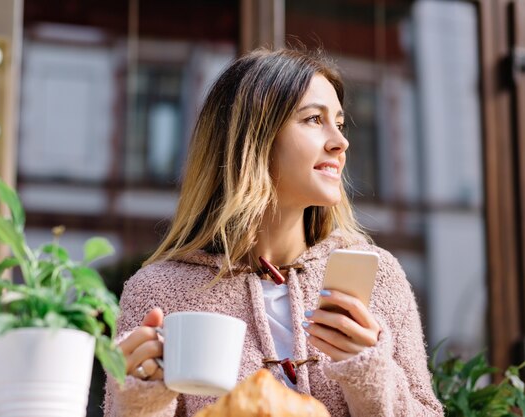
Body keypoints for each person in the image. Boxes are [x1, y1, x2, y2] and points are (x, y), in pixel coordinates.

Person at [103, 47, 443, 417]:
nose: (340, 142)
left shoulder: (379, 276)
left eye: (340, 124)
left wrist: (370, 371)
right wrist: (139, 400)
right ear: (254, 138)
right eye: (314, 119)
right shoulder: (156, 291)